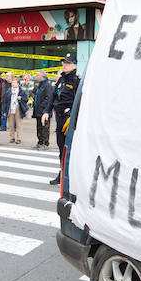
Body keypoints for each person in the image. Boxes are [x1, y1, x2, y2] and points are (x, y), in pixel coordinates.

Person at [49, 55, 80, 185]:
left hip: (70, 119)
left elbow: (80, 101)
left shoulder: (76, 80)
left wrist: (73, 117)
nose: (64, 65)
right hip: (60, 118)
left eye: (68, 63)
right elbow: (53, 97)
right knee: (61, 147)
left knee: (70, 148)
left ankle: (70, 175)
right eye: (64, 63)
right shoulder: (61, 79)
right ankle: (62, 173)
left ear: (74, 65)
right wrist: (46, 111)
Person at [33, 72, 54, 149]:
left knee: (44, 127)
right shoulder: (40, 85)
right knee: (39, 127)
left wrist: (42, 107)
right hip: (38, 110)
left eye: (37, 75)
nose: (36, 76)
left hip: (44, 111)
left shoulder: (47, 85)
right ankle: (40, 142)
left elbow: (48, 98)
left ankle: (46, 143)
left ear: (42, 76)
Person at [3, 75, 27, 144]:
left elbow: (26, 99)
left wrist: (21, 98)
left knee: (18, 124)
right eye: (12, 82)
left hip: (18, 108)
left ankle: (19, 138)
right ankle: (12, 137)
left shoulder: (21, 91)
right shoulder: (8, 91)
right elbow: (5, 101)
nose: (13, 84)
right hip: (10, 108)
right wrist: (5, 111)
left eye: (14, 82)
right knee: (10, 124)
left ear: (18, 84)